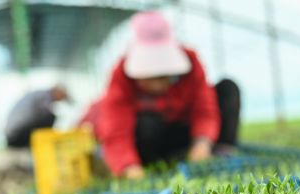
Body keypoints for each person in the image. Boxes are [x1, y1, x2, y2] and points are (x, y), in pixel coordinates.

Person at [80, 12, 240, 179]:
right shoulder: (121, 76)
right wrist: (128, 166)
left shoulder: (191, 62)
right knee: (147, 122)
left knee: (227, 89)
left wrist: (202, 143)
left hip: (183, 132)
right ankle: (154, 163)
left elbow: (204, 108)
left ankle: (220, 154)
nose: (158, 85)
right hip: (152, 141)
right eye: (150, 77)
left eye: (164, 77)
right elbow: (116, 127)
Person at [5, 85, 70, 148]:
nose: (60, 100)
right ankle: (41, 145)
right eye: (62, 97)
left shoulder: (39, 94)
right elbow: (45, 114)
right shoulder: (44, 96)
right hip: (16, 135)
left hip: (12, 135)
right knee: (50, 117)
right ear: (57, 92)